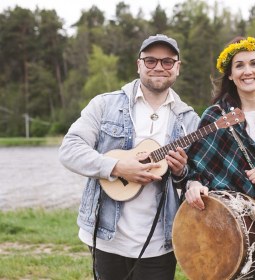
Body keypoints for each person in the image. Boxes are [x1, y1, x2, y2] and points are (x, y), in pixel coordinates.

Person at [59, 34, 200, 280]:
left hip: (160, 241)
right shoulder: (104, 105)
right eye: (150, 61)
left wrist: (181, 173)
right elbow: (70, 149)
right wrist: (117, 167)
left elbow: (196, 179)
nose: (158, 67)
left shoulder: (190, 120)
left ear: (177, 68)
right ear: (139, 65)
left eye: (167, 61)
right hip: (106, 237)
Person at [184, 36, 255, 279]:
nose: (247, 71)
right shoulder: (214, 116)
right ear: (230, 74)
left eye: (254, 63)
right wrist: (194, 186)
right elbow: (195, 170)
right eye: (239, 65)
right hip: (228, 228)